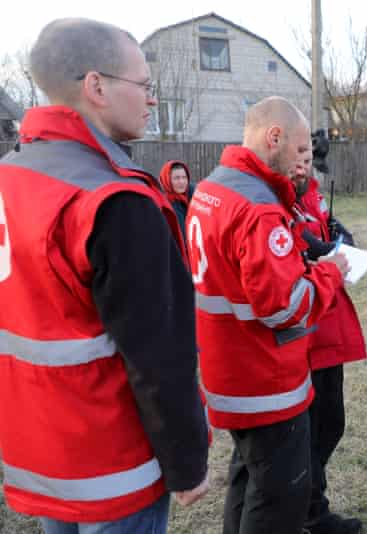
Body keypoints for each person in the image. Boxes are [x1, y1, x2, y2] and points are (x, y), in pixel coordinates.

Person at [0, 17, 209, 533]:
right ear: (96, 86)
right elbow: (160, 355)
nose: (152, 100)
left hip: (41, 450)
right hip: (114, 463)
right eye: (144, 85)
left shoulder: (11, 174)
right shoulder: (115, 201)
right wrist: (187, 462)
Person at [188, 96, 348, 534]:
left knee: (247, 479)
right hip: (265, 380)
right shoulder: (257, 208)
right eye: (300, 151)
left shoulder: (213, 187)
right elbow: (287, 308)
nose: (304, 164)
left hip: (228, 370)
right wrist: (330, 274)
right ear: (273, 137)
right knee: (279, 499)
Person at [288, 131, 366, 534]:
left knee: (330, 424)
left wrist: (340, 239)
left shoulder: (313, 193)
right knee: (310, 428)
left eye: (308, 156)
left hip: (329, 322)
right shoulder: (274, 201)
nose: (303, 165)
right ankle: (310, 512)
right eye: (297, 156)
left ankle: (312, 504)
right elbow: (297, 245)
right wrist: (318, 248)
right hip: (303, 331)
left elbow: (333, 232)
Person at [159, 160, 194, 239]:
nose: (181, 182)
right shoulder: (163, 205)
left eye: (184, 177)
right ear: (167, 180)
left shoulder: (195, 197)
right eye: (176, 178)